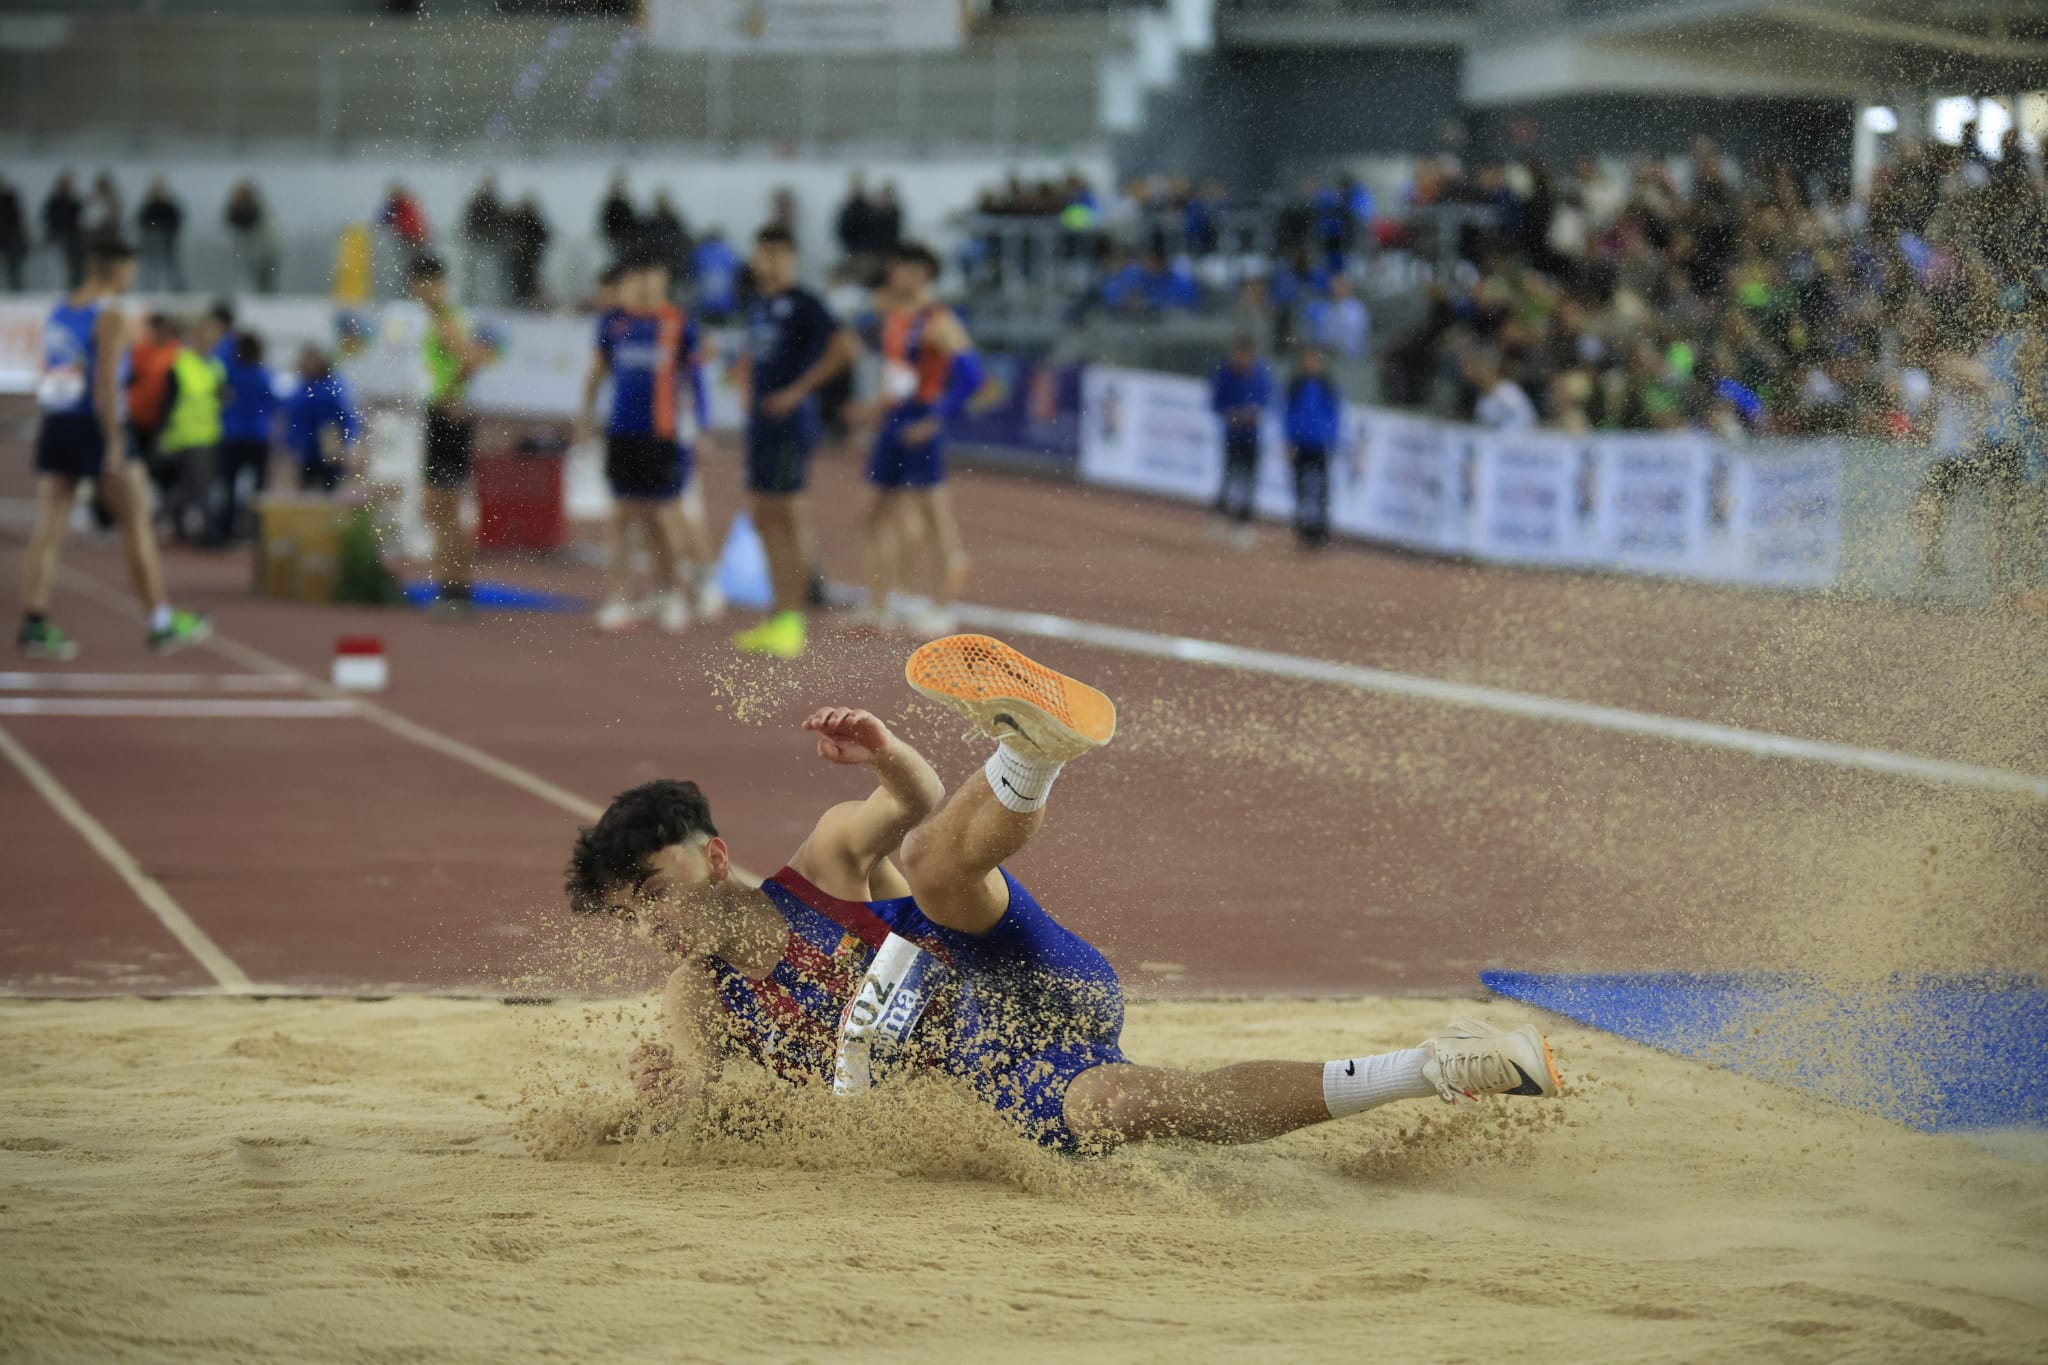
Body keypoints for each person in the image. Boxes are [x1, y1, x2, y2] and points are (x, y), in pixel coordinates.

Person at [563, 634, 1562, 1154]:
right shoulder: (699, 1001)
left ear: (707, 857)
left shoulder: (820, 865)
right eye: (625, 914)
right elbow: (702, 1106)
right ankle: (1442, 1066)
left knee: (939, 874)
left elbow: (905, 801)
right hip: (985, 1083)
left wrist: (881, 746)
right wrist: (668, 1102)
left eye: (647, 893)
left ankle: (1028, 753)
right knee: (1122, 1104)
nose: (645, 925)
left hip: (1021, 976)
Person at [18, 235, 209, 659]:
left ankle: (35, 621)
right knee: (136, 522)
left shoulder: (60, 309)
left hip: (59, 421)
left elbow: (51, 372)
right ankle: (161, 622)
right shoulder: (113, 316)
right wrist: (116, 444)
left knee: (48, 526)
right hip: (96, 425)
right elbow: (106, 383)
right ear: (118, 269)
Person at [575, 253, 720, 634]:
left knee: (665, 516)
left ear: (662, 278)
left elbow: (697, 380)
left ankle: (675, 593)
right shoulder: (613, 323)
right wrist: (585, 417)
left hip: (663, 434)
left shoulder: (678, 324)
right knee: (621, 518)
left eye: (649, 274)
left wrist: (703, 426)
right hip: (622, 433)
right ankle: (618, 599)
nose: (642, 283)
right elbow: (597, 374)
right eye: (635, 275)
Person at [731, 225, 858, 661]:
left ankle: (794, 618)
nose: (771, 261)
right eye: (765, 252)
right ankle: (777, 613)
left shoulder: (805, 304)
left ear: (791, 258)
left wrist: (798, 392)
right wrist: (748, 384)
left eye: (780, 253)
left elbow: (846, 350)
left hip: (791, 424)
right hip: (762, 425)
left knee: (788, 513)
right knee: (763, 515)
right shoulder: (760, 306)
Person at [856, 242, 984, 632]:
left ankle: (942, 607)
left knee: (934, 518)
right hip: (893, 422)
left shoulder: (937, 320)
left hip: (920, 423)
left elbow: (972, 377)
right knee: (874, 514)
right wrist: (874, 410)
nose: (899, 275)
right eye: (896, 267)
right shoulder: (896, 317)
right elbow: (898, 375)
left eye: (908, 268)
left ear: (925, 274)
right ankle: (881, 604)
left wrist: (935, 419)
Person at [409, 254, 497, 613]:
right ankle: (452, 585)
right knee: (439, 506)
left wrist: (451, 396)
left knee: (442, 505)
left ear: (437, 284)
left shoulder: (446, 319)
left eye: (423, 282)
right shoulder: (439, 319)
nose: (418, 290)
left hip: (449, 418)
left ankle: (456, 588)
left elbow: (473, 359)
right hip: (442, 415)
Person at [155, 309, 228, 545]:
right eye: (208, 335)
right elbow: (167, 401)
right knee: (199, 488)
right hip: (187, 435)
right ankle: (207, 535)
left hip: (207, 433)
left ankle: (169, 522)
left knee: (189, 487)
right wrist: (162, 434)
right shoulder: (181, 363)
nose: (213, 340)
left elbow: (218, 395)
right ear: (196, 336)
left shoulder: (216, 365)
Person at [212, 331, 277, 544]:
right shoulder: (263, 375)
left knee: (228, 486)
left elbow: (219, 398)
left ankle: (225, 530)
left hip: (232, 435)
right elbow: (273, 404)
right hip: (258, 435)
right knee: (259, 488)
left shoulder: (230, 374)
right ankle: (257, 531)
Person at [1211, 335, 1271, 548]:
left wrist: (1251, 414)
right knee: (1229, 476)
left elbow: (1265, 402)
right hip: (1232, 435)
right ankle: (1220, 515)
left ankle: (1244, 522)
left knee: (1249, 480)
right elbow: (1216, 403)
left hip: (1251, 437)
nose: (1242, 358)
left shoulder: (1259, 375)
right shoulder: (1225, 374)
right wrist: (1234, 415)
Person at [283, 345, 363, 494]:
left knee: (330, 491)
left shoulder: (334, 387)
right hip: (306, 449)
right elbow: (293, 420)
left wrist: (349, 442)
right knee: (305, 491)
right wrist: (291, 446)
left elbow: (347, 416)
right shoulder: (300, 388)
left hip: (329, 447)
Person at [1284, 346, 1342, 549]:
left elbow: (1334, 415)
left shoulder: (1327, 386)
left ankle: (1320, 531)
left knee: (1321, 489)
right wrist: (1289, 441)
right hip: (1300, 445)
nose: (1311, 364)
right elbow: (1288, 416)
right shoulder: (1295, 386)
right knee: (1300, 488)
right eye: (1308, 360)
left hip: (1319, 445)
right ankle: (1304, 531)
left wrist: (1332, 439)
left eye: (1315, 360)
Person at [1463, 343, 1538, 431]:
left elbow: (1528, 422)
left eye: (1479, 369)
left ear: (1490, 370)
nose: (1472, 374)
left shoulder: (1508, 392)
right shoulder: (1483, 397)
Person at [135, 178, 185, 293]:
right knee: (151, 266)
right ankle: (149, 289)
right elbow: (142, 221)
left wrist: (164, 227)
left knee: (170, 266)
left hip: (167, 241)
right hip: (152, 241)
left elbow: (176, 220)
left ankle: (176, 289)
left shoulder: (168, 206)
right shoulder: (149, 206)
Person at [43, 173, 85, 289]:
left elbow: (80, 219)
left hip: (73, 238)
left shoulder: (75, 202)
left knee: (74, 266)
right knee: (58, 267)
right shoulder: (54, 202)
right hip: (58, 237)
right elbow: (48, 218)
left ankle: (74, 287)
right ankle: (60, 289)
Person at [0, 175, 26, 291]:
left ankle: (15, 289)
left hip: (9, 236)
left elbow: (17, 218)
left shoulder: (10, 198)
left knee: (13, 267)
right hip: (8, 235)